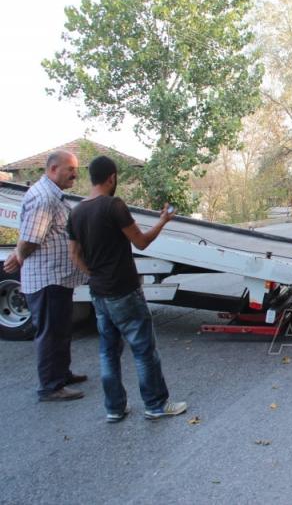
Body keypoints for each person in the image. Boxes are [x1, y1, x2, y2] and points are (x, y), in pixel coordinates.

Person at [67, 156, 187, 423]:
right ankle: (156, 404)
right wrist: (163, 220)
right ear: (111, 177)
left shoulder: (76, 212)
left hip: (98, 292)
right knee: (143, 349)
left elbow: (74, 254)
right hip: (124, 290)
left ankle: (114, 408)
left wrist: (93, 275)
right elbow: (141, 242)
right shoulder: (113, 206)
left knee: (108, 352)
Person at [2, 150, 88, 402]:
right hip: (46, 278)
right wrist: (18, 255)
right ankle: (51, 386)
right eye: (70, 169)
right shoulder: (43, 198)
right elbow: (30, 239)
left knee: (61, 329)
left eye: (76, 168)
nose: (75, 173)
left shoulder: (53, 195)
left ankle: (62, 374)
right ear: (52, 169)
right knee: (51, 332)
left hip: (58, 277)